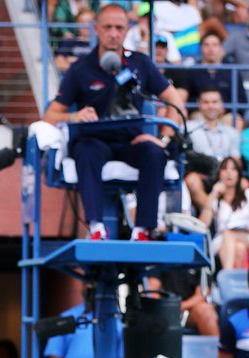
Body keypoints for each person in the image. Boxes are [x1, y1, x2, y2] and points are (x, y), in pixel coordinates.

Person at [42, 4, 185, 241]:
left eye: (119, 28)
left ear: (127, 30)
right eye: (107, 27)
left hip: (131, 142)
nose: (113, 33)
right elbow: (50, 115)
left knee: (154, 153)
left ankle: (143, 230)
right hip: (95, 142)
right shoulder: (80, 69)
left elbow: (175, 101)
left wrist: (164, 137)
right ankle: (96, 227)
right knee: (85, 151)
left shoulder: (141, 63)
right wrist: (74, 116)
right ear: (96, 29)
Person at [199, 156, 249, 268]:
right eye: (224, 169)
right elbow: (202, 225)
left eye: (233, 169)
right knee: (238, 247)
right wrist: (213, 194)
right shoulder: (214, 198)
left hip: (247, 236)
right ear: (219, 173)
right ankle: (236, 281)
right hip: (221, 240)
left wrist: (241, 234)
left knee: (232, 237)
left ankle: (227, 277)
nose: (229, 173)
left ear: (238, 174)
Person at [183, 88, 241, 210]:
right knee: (192, 180)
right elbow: (185, 157)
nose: (211, 106)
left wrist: (224, 174)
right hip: (201, 175)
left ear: (221, 105)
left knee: (244, 183)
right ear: (199, 104)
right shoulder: (188, 128)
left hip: (225, 175)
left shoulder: (231, 132)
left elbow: (236, 161)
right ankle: (215, 214)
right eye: (206, 102)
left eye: (214, 102)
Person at [179, 32, 247, 125]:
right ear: (201, 48)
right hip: (200, 113)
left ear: (221, 48)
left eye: (215, 45)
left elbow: (241, 100)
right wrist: (202, 107)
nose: (211, 49)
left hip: (225, 114)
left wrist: (224, 108)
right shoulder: (192, 71)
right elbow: (186, 99)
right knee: (196, 120)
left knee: (236, 121)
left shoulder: (232, 71)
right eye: (206, 45)